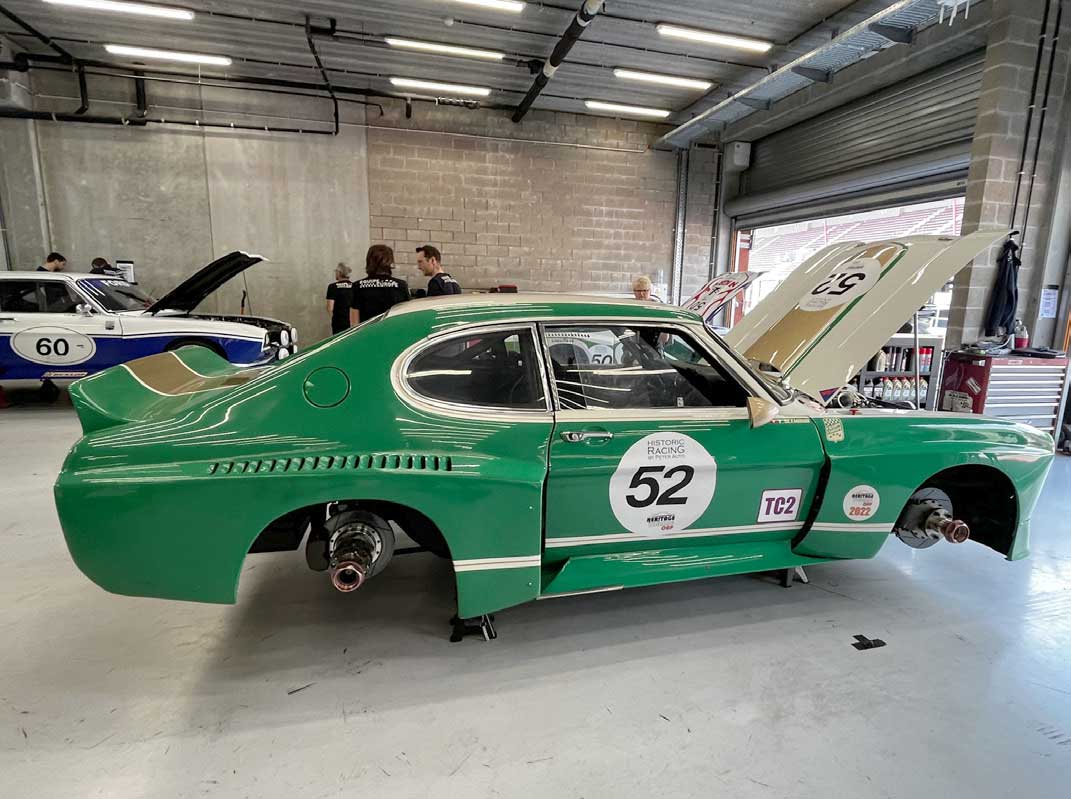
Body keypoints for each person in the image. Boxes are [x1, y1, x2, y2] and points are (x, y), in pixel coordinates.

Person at [353, 244, 409, 323]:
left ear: (369, 261)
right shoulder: (401, 285)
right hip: (393, 329)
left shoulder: (358, 286)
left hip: (368, 330)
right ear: (390, 261)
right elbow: (405, 316)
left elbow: (354, 322)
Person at [325, 262, 355, 335]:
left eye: (336, 271)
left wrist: (335, 319)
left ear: (339, 273)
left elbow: (330, 308)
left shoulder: (332, 287)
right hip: (353, 322)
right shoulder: (355, 286)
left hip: (339, 323)